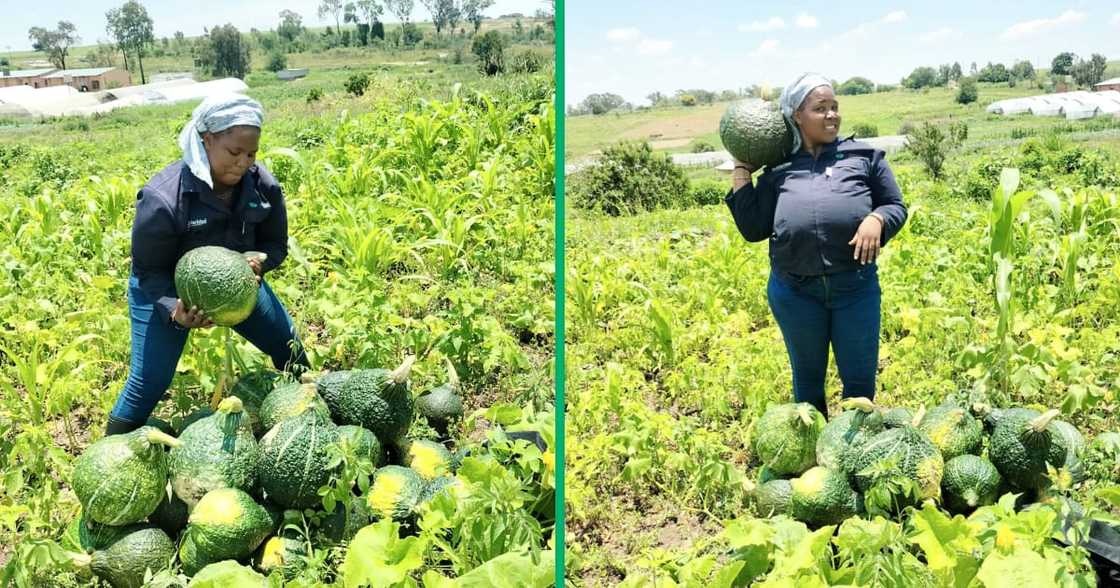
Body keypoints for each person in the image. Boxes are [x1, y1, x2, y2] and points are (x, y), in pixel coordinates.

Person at [105, 93, 310, 435]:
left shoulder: (263, 186)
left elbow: (274, 245)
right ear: (207, 139)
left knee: (290, 349)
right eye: (234, 152)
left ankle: (311, 422)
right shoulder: (162, 199)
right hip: (166, 291)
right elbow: (148, 272)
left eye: (251, 153)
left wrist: (260, 262)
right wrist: (173, 310)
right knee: (149, 382)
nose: (244, 162)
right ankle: (111, 455)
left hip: (237, 286)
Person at [724, 73, 908, 418]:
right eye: (820, 108)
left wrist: (878, 220)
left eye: (835, 107)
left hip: (855, 290)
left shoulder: (864, 156)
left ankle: (855, 456)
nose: (832, 115)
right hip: (796, 293)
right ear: (797, 115)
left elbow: (896, 205)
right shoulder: (779, 168)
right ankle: (813, 458)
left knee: (859, 387)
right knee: (807, 386)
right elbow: (752, 228)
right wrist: (742, 170)